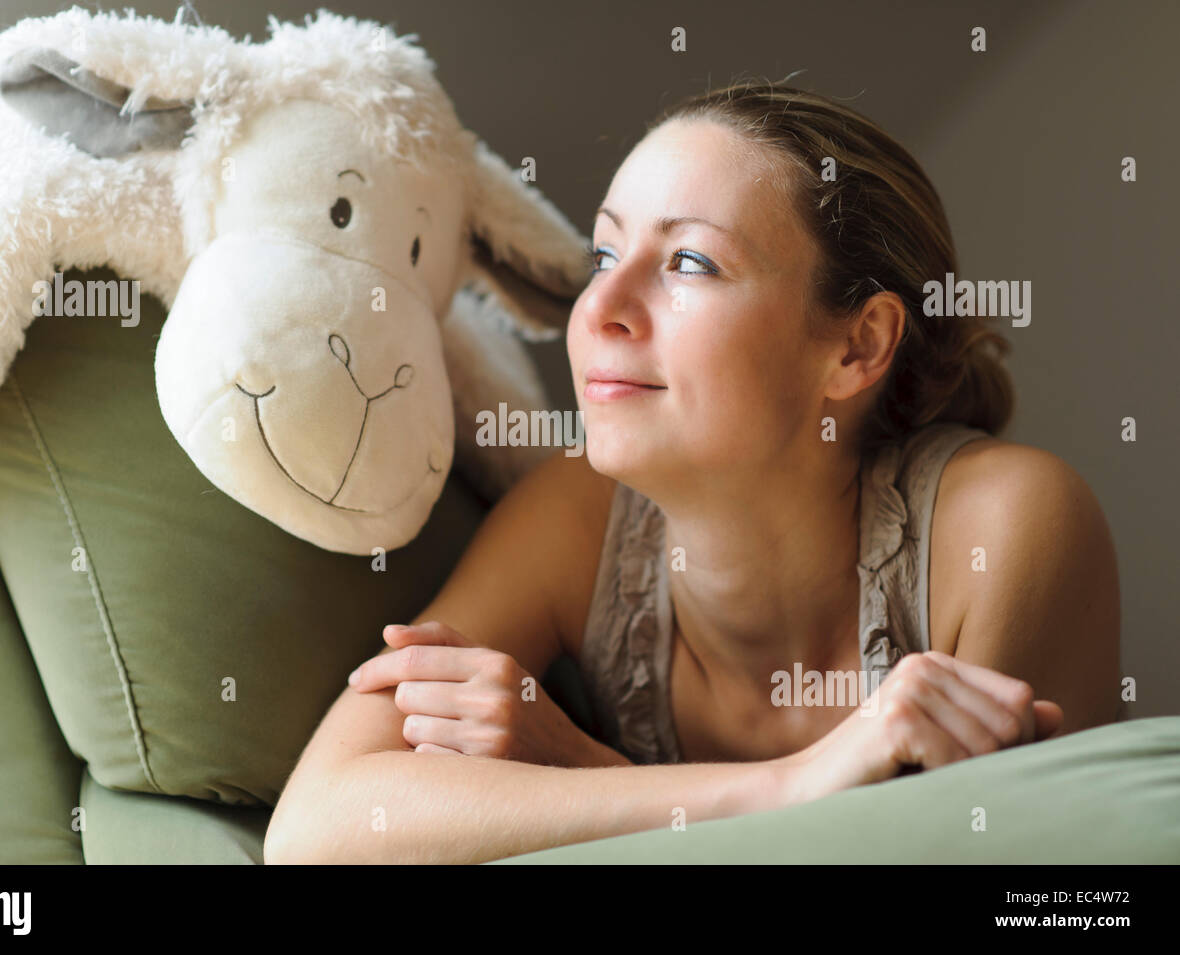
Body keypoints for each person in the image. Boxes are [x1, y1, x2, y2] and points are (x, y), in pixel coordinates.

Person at [264, 81, 1122, 865]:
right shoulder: (576, 514)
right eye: (604, 256)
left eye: (689, 263)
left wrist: (574, 764)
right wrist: (789, 784)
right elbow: (318, 830)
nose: (599, 308)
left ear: (858, 346)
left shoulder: (1009, 525)